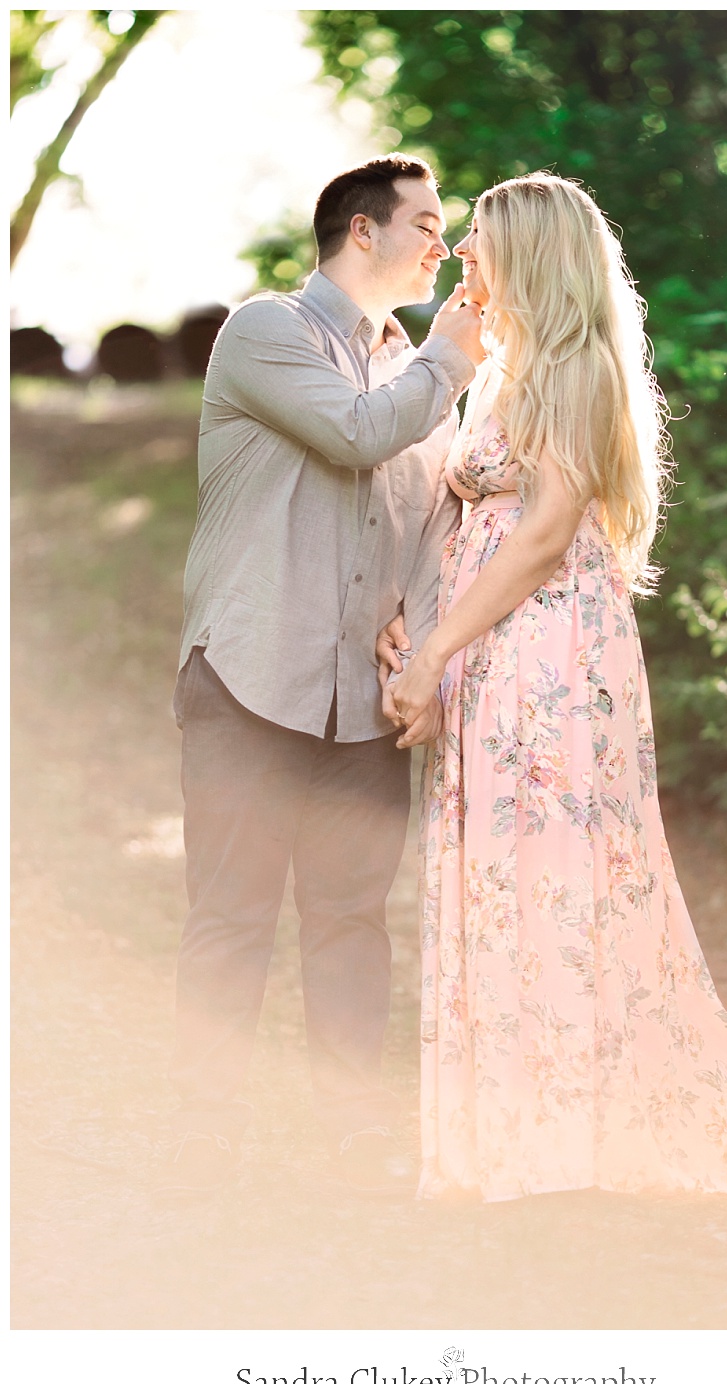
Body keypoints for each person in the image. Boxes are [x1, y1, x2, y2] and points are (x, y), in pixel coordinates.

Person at [383, 173, 727, 1203]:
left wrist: (437, 655)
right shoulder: (502, 372)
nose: (464, 256)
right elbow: (465, 520)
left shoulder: (580, 368)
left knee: (556, 874)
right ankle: (509, 1129)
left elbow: (545, 534)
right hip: (491, 651)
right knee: (501, 878)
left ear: (533, 256)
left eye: (479, 240)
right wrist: (417, 631)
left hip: (549, 658)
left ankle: (568, 1134)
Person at [157, 153, 485, 1201]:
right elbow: (356, 435)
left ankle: (350, 1153)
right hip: (250, 679)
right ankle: (200, 1156)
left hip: (360, 698)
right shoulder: (267, 331)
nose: (445, 244)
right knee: (232, 920)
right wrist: (448, 363)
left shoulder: (411, 364)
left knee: (351, 924)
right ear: (361, 231)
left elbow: (426, 522)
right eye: (428, 225)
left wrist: (420, 646)